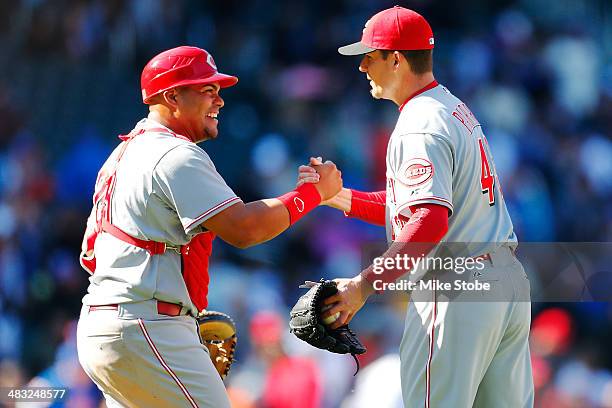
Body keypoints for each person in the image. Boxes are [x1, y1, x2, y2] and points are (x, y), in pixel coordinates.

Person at [76, 45, 342, 408]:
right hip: (146, 324)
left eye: (218, 91)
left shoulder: (122, 155)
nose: (218, 101)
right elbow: (244, 229)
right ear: (171, 96)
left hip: (105, 326)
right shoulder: (173, 153)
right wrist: (312, 194)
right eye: (206, 90)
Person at [298, 7, 533, 407]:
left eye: (369, 56)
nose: (363, 67)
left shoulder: (419, 123)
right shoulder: (450, 107)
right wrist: (338, 197)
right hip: (505, 283)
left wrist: (364, 284)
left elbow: (428, 223)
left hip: (457, 284)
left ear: (396, 58)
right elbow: (415, 208)